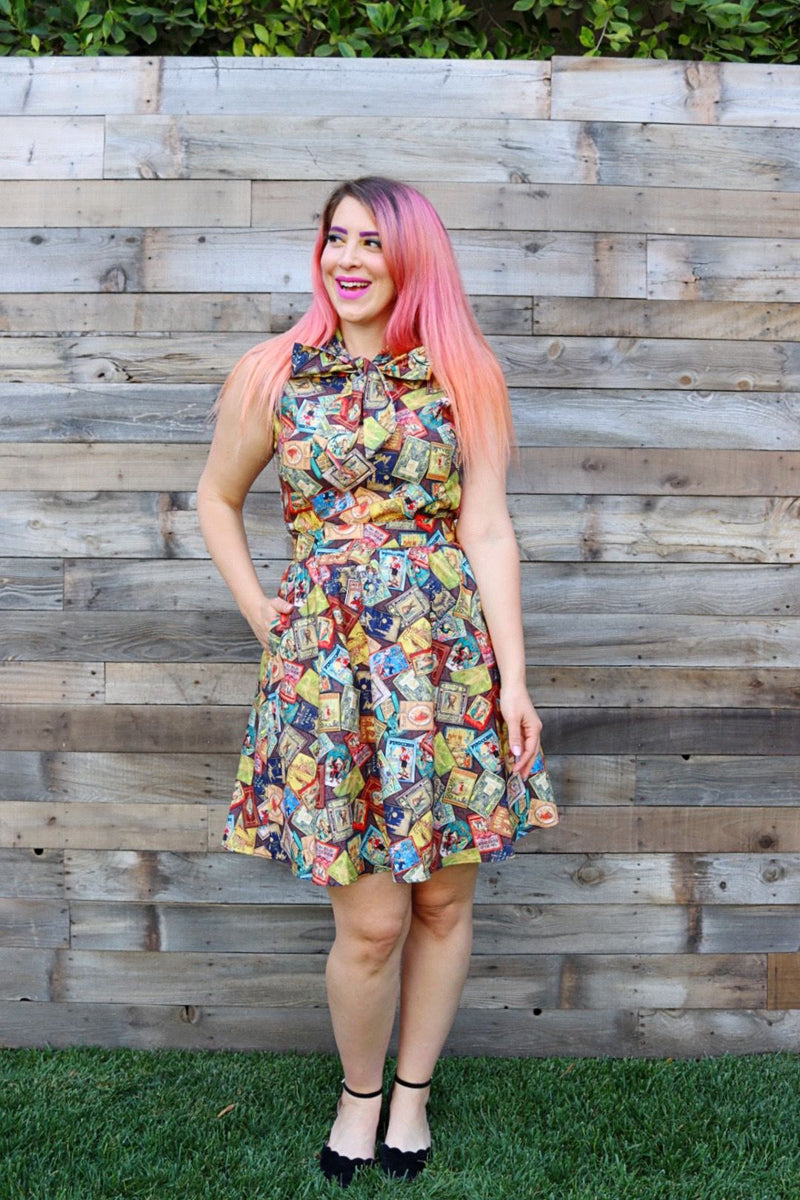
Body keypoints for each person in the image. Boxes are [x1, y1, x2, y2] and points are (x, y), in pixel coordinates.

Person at [196, 175, 560, 1187]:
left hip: (446, 670)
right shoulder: (274, 373)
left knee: (440, 902)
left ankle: (413, 1095)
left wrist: (513, 681)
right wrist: (266, 614)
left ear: (412, 258)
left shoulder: (463, 374)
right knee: (371, 922)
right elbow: (216, 498)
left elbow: (487, 529)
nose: (347, 259)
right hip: (329, 676)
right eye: (335, 239)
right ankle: (359, 1096)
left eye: (370, 241)